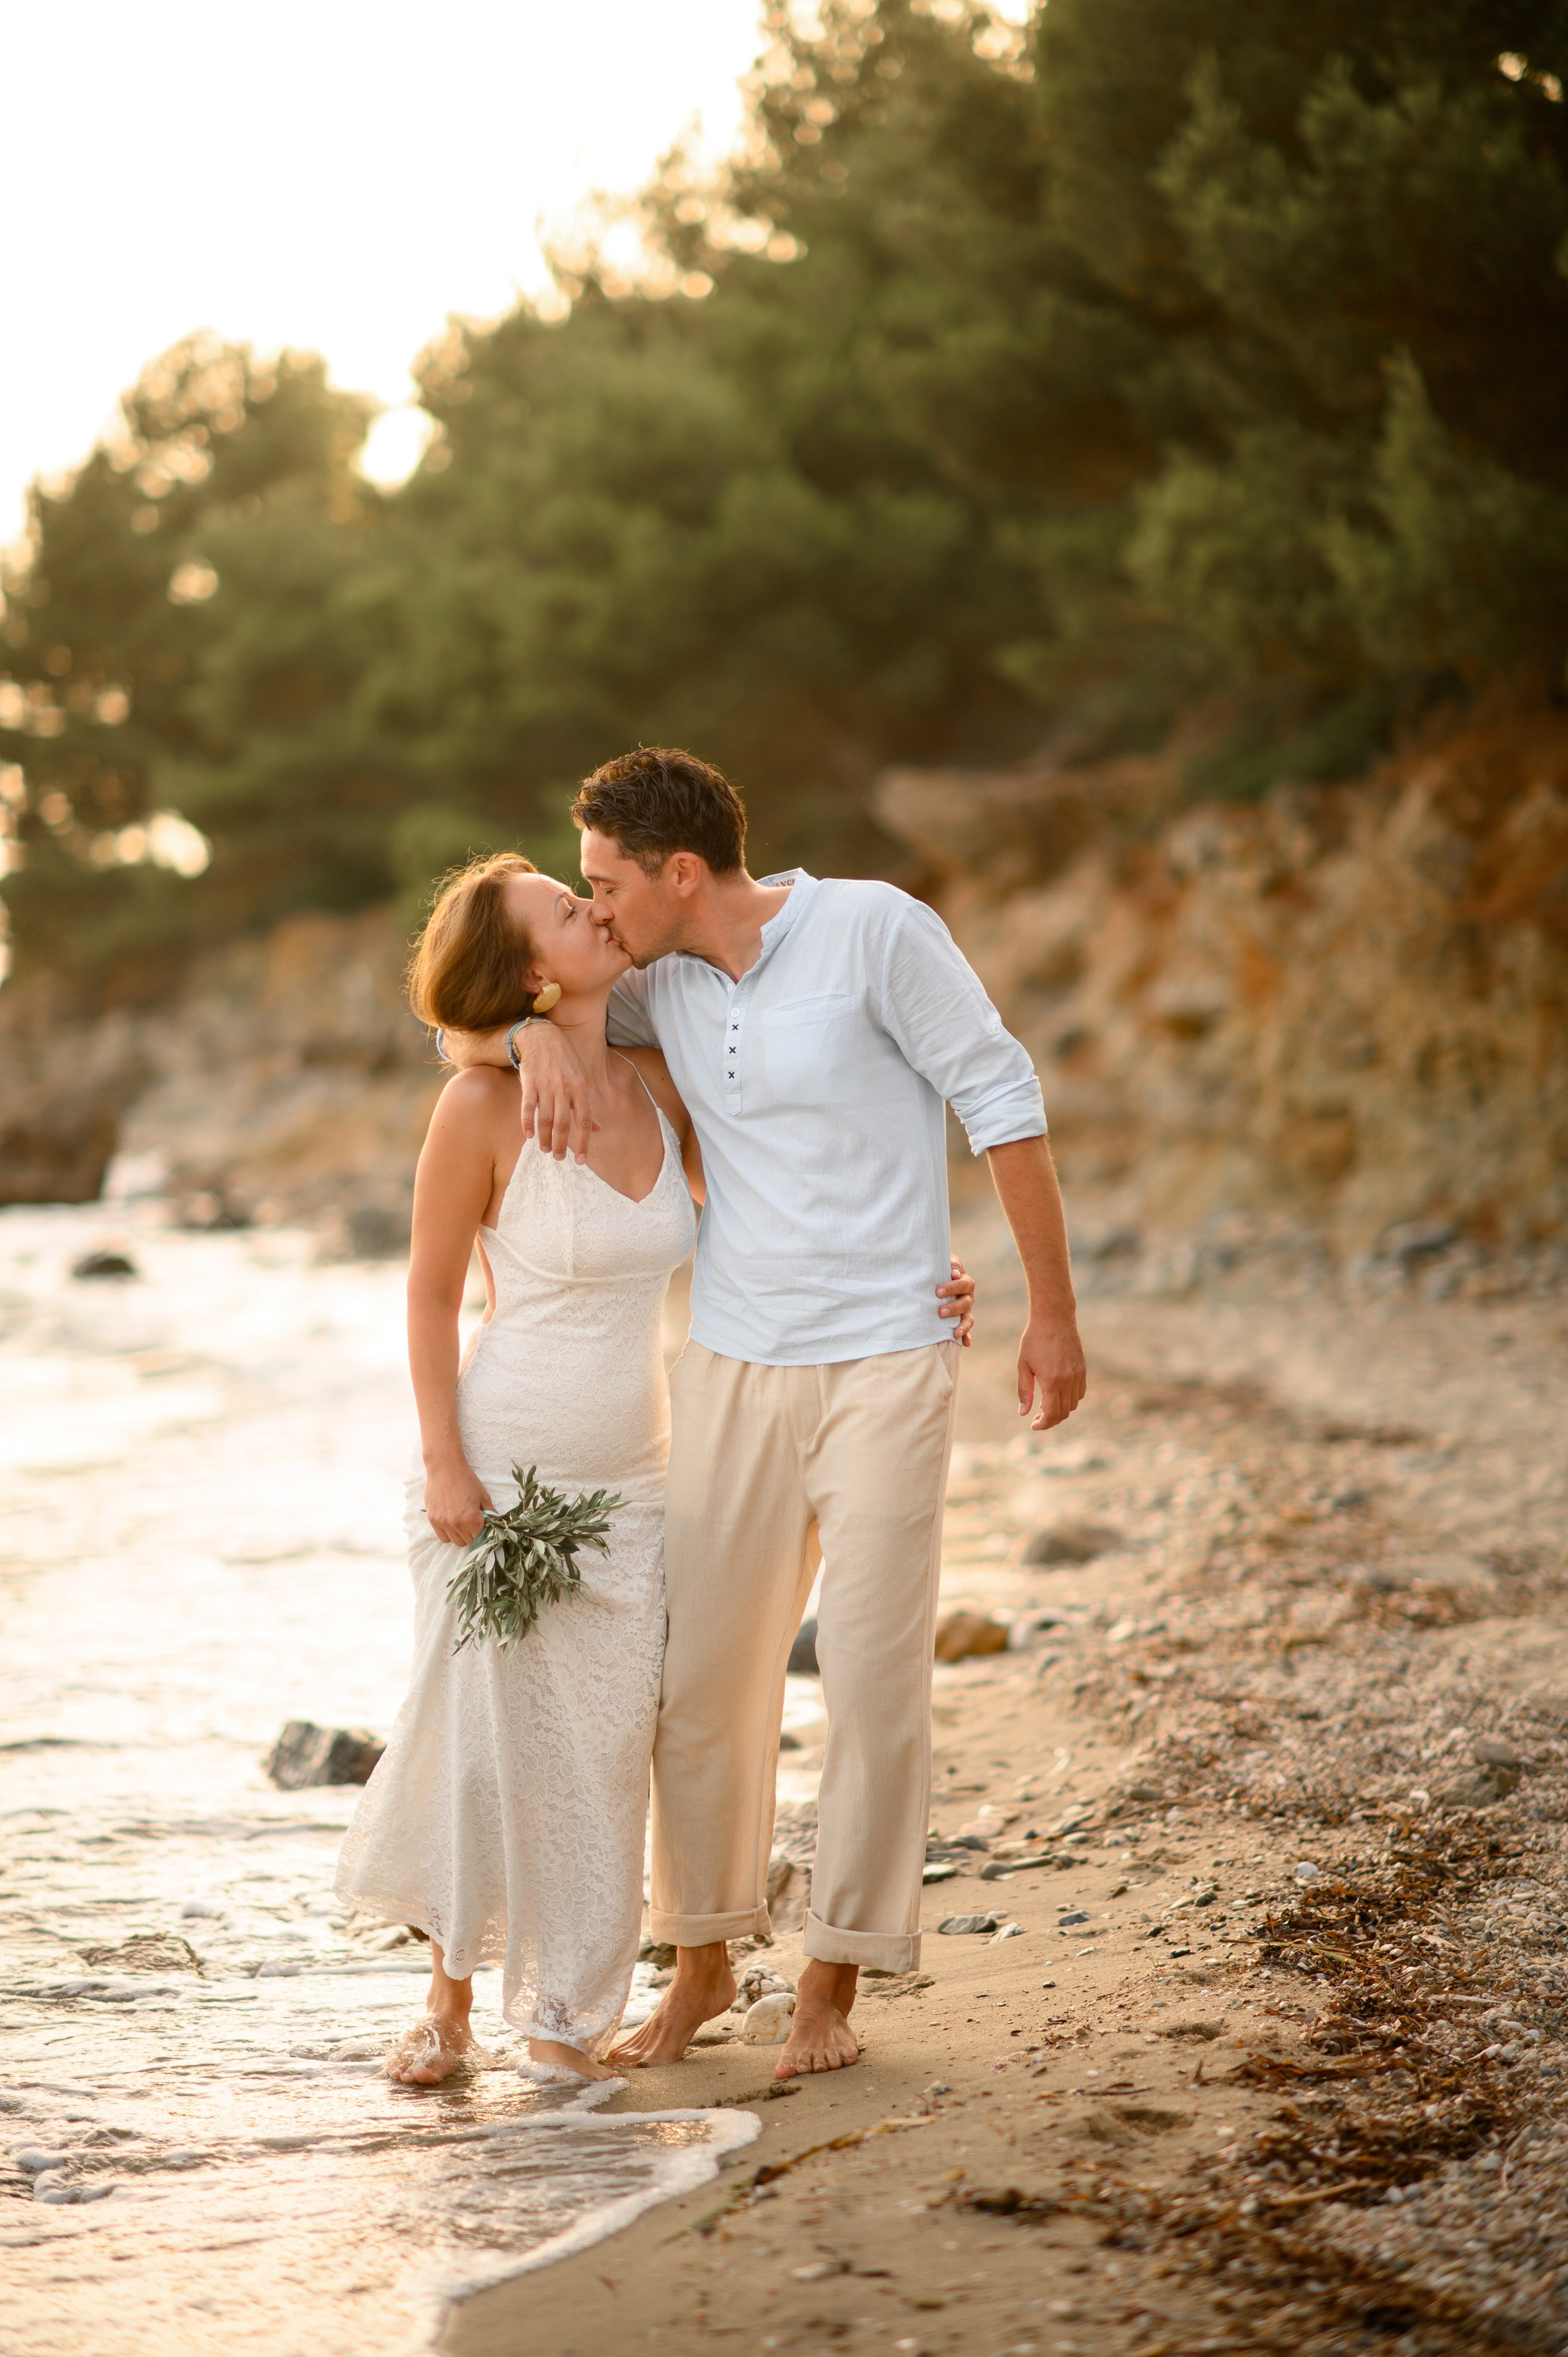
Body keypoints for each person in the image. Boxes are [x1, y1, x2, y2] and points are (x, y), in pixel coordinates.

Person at [444, 748, 1085, 2082]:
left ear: (681, 872)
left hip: (887, 1357)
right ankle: (703, 1959)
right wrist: (524, 1037)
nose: (593, 906)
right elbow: (473, 1012)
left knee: (869, 1676)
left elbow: (1000, 1096)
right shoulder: (655, 980)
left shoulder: (875, 929)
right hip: (730, 1363)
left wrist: (1051, 1312)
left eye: (606, 881)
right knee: (700, 1686)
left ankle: (832, 1979)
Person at [335, 850, 975, 2085]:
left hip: (639, 1478)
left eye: (584, 891)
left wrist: (919, 1272)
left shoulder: (658, 1079)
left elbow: (794, 1179)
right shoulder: (478, 1107)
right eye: (564, 908)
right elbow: (425, 1297)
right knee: (481, 1738)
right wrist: (443, 1462)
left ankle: (562, 2016)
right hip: (500, 1466)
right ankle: (447, 2001)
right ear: (528, 972)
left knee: (607, 1749)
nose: (592, 909)